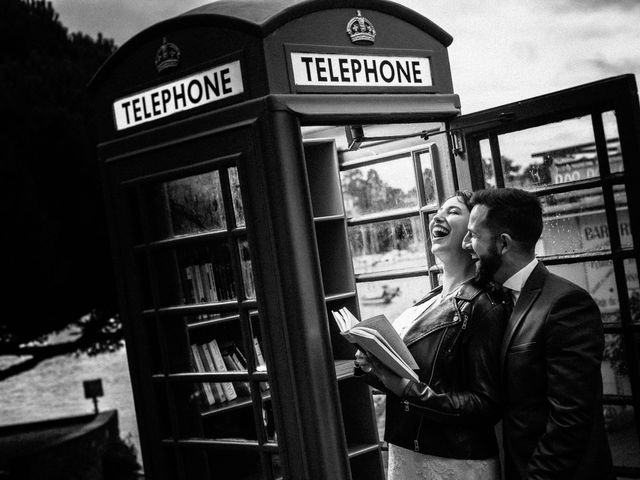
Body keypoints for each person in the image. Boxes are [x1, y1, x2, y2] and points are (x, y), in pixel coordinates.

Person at [355, 191, 510, 480]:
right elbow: (418, 375)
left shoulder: (483, 306)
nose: (438, 216)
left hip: (454, 461)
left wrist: (404, 389)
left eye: (452, 211)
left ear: (472, 233)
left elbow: (485, 404)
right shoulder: (427, 300)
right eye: (438, 211)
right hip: (406, 451)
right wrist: (372, 365)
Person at [463, 187, 613, 480]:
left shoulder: (566, 304)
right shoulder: (492, 299)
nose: (466, 244)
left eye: (473, 235)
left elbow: (570, 418)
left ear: (503, 243)